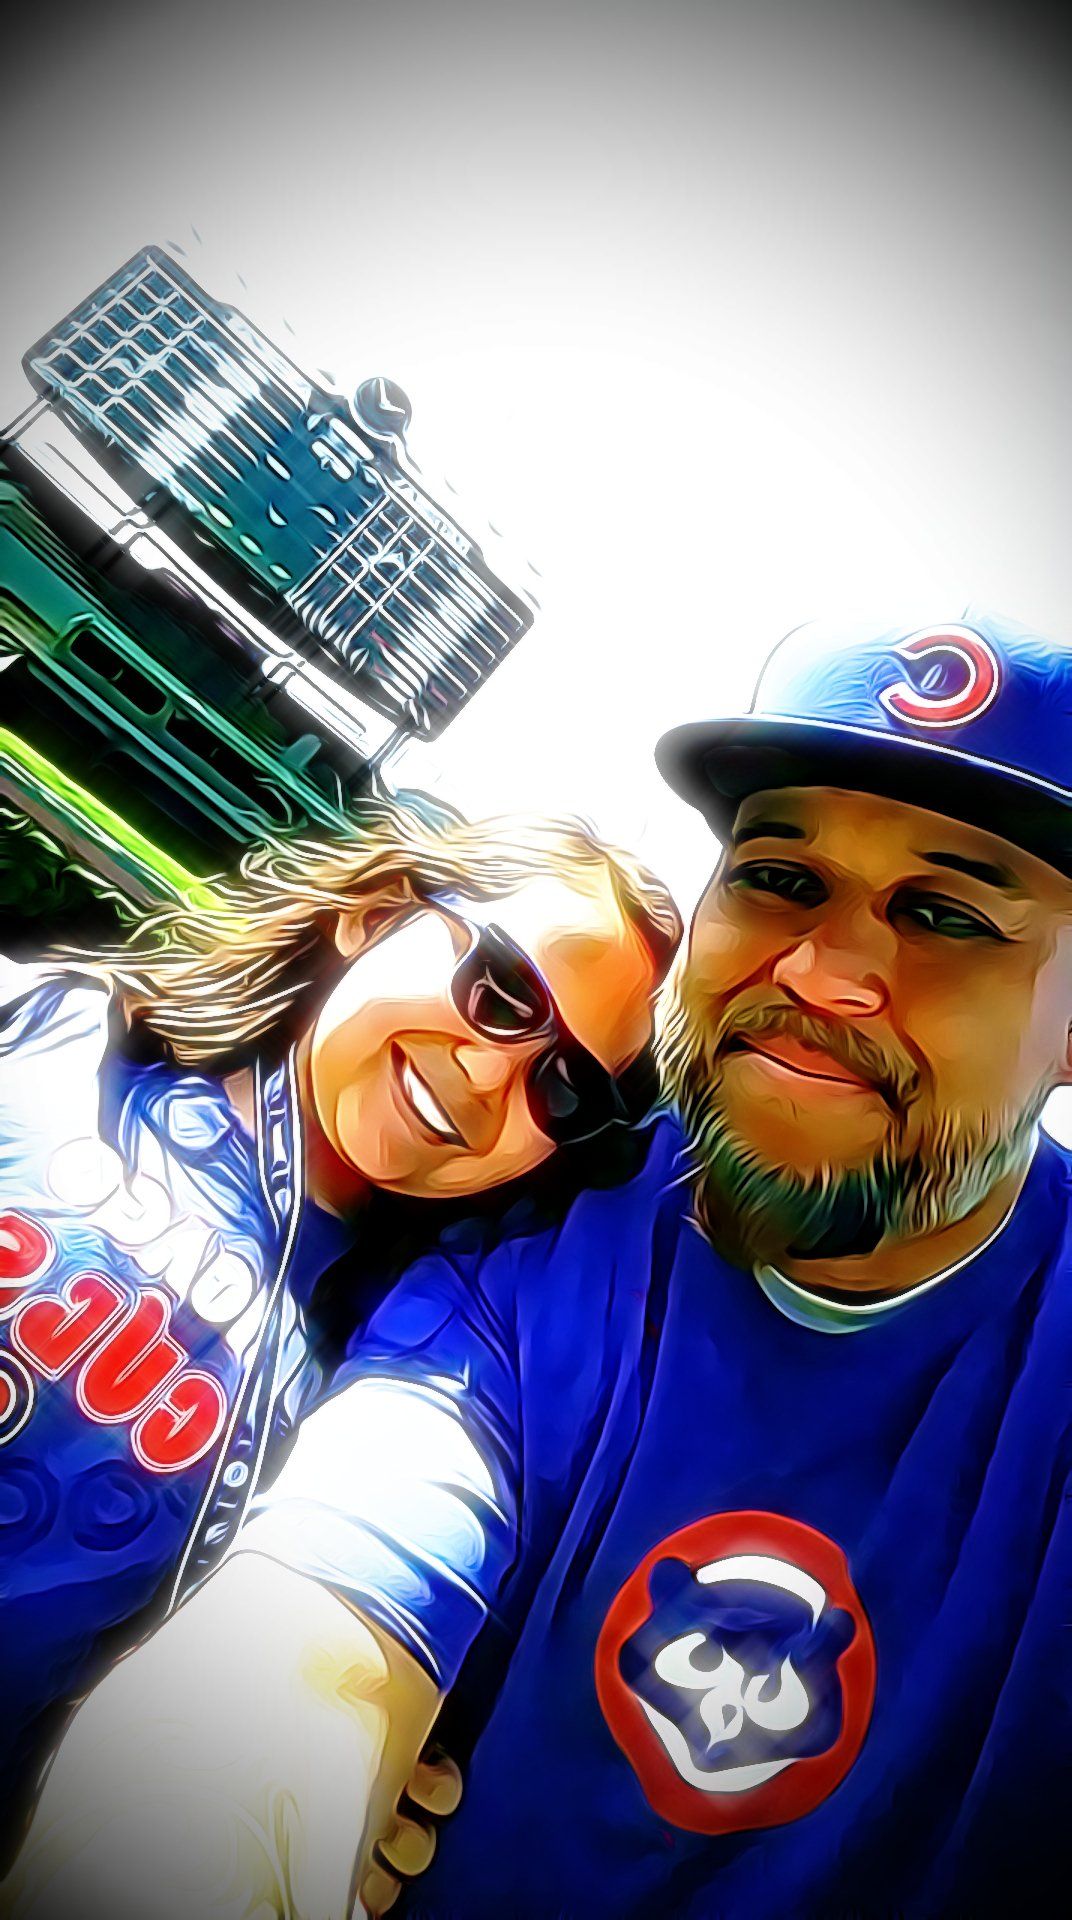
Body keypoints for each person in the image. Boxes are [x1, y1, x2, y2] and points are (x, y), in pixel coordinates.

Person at [9, 607, 1072, 1920]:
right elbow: (299, 1652)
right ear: (379, 918)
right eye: (782, 877)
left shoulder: (383, 1274)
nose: (826, 969)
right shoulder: (534, 1266)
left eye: (947, 911)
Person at [0, 794, 678, 1890]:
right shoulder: (40, 1030)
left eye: (564, 1088)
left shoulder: (410, 1382)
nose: (493, 1076)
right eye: (502, 992)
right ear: (376, 912)